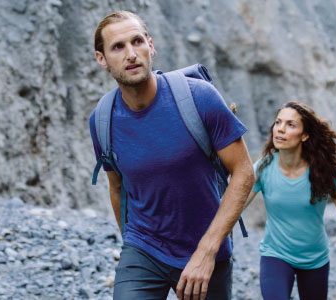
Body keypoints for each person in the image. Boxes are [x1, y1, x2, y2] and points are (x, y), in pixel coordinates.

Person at [87, 11, 255, 300]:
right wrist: (132, 243)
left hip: (206, 248)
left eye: (137, 41)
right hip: (144, 249)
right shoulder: (102, 120)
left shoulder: (200, 98)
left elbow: (244, 173)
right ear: (101, 58)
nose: (131, 54)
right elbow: (117, 187)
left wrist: (206, 251)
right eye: (118, 46)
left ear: (151, 46)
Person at [244, 101, 336, 300]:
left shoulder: (324, 171)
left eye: (291, 125)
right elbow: (232, 206)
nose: (280, 129)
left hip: (315, 258)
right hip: (276, 254)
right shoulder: (263, 168)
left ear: (305, 135)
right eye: (278, 122)